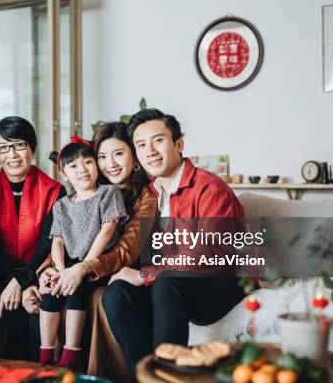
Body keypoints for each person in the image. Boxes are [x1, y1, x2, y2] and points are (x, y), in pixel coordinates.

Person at [102, 109, 245, 370]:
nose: (150, 151)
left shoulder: (210, 188)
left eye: (158, 140)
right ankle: (147, 374)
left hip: (220, 285)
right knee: (116, 294)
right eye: (141, 145)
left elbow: (212, 251)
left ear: (178, 144)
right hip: (172, 287)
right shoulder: (151, 194)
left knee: (166, 282)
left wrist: (146, 275)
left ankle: (169, 375)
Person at [35, 122, 157, 378]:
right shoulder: (77, 198)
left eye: (119, 154)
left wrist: (81, 269)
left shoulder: (145, 198)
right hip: (77, 266)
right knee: (48, 294)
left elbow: (125, 251)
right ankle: (48, 363)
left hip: (120, 272)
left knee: (93, 295)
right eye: (102, 156)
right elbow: (61, 239)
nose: (110, 163)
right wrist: (50, 270)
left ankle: (97, 369)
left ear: (134, 157)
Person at [0, 116, 65, 361]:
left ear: (32, 149)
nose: (13, 154)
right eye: (4, 148)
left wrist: (25, 281)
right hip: (1, 274)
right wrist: (15, 282)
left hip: (40, 271)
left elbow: (48, 244)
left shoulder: (55, 191)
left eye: (19, 145)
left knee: (34, 341)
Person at [38, 137, 128, 369]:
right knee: (51, 293)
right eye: (74, 166)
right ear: (64, 174)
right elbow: (56, 241)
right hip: (68, 263)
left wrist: (84, 267)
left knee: (76, 290)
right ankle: (46, 354)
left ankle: (71, 352)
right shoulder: (61, 205)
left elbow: (108, 230)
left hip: (97, 263)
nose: (83, 169)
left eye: (88, 162)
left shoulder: (108, 193)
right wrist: (60, 270)